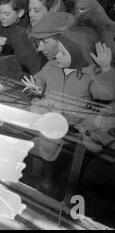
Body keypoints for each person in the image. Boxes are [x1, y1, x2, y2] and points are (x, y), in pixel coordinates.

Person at [22, 26, 115, 162]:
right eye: (58, 51)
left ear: (79, 54)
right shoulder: (52, 66)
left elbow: (106, 94)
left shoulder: (91, 74)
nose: (57, 55)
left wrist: (106, 69)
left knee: (49, 145)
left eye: (63, 53)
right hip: (49, 113)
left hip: (73, 125)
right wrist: (36, 86)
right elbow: (40, 78)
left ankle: (42, 164)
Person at [0, 0, 45, 77]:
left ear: (20, 13)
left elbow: (32, 68)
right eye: (0, 12)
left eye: (6, 14)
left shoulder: (26, 34)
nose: (1, 17)